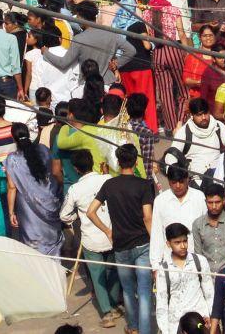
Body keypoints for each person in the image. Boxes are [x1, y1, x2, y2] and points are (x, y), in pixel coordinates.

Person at [89, 143, 155, 334]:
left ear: (118, 162)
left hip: (120, 246)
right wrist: (157, 245)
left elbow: (90, 211)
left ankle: (133, 327)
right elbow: (148, 217)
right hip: (143, 244)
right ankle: (144, 331)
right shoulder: (144, 185)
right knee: (144, 292)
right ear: (136, 162)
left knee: (127, 290)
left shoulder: (109, 185)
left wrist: (107, 231)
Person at [60, 149, 123, 328]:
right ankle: (113, 304)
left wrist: (77, 218)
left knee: (97, 276)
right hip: (112, 234)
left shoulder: (75, 189)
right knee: (113, 271)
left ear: (76, 169)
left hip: (91, 239)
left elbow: (64, 215)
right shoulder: (107, 179)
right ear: (92, 162)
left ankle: (107, 313)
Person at [5, 122, 63, 256]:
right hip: (49, 199)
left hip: (28, 208)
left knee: (33, 243)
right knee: (52, 238)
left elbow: (12, 188)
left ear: (13, 138)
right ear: (29, 134)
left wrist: (11, 213)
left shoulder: (12, 159)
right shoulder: (43, 150)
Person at [155, 222, 216, 334]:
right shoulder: (164, 269)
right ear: (168, 244)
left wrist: (210, 317)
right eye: (177, 242)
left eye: (184, 241)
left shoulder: (200, 261)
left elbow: (209, 293)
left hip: (200, 321)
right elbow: (161, 302)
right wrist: (165, 330)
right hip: (176, 325)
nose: (182, 246)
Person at [151, 165, 209, 266]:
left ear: (187, 179)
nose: (178, 186)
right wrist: (155, 264)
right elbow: (157, 234)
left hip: (196, 260)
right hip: (170, 262)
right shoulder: (160, 201)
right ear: (168, 181)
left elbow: (206, 230)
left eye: (181, 182)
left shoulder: (199, 197)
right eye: (173, 182)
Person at [172, 97, 225, 178]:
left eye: (206, 113)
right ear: (192, 115)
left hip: (218, 177)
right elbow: (172, 155)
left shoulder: (218, 126)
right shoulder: (184, 132)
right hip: (195, 179)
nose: (204, 117)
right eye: (199, 115)